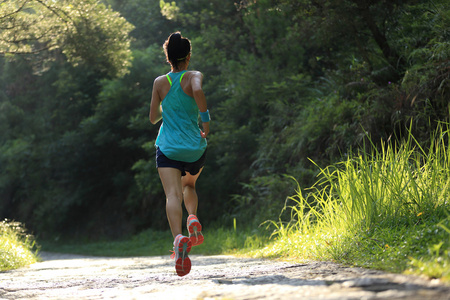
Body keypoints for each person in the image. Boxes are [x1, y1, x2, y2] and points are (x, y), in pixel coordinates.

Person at [149, 32, 210, 277]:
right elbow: (197, 91)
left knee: (172, 194)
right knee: (189, 186)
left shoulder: (159, 83)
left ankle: (178, 239)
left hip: (168, 147)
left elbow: (153, 117)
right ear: (188, 56)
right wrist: (205, 123)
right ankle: (192, 217)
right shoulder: (194, 75)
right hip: (194, 147)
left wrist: (169, 106)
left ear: (168, 58)